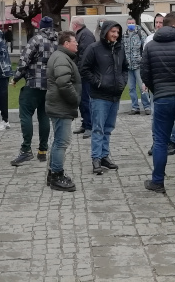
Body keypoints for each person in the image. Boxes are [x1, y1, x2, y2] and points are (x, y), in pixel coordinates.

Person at [141, 13, 175, 198]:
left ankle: (157, 181)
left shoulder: (150, 46)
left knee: (160, 141)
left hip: (162, 97)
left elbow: (145, 73)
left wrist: (157, 89)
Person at [79, 20, 127, 175]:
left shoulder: (120, 48)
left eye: (117, 32)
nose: (116, 35)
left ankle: (104, 156)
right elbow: (84, 69)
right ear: (106, 31)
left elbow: (125, 68)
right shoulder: (94, 48)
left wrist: (123, 81)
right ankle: (96, 158)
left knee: (108, 128)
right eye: (113, 31)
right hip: (99, 96)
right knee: (98, 128)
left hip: (115, 95)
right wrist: (97, 82)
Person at [10, 16, 58, 166]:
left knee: (26, 115)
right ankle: (43, 150)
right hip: (50, 84)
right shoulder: (57, 41)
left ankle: (26, 150)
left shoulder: (36, 40)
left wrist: (16, 78)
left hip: (33, 84)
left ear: (40, 26)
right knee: (44, 116)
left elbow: (24, 61)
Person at [45, 31, 81, 192]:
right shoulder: (61, 58)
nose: (77, 44)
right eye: (75, 41)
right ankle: (57, 175)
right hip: (61, 106)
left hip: (59, 105)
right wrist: (75, 99)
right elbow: (64, 83)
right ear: (66, 43)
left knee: (58, 141)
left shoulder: (62, 57)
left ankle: (53, 172)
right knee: (62, 142)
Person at [70, 17, 96, 138]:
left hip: (84, 73)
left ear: (75, 25)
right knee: (82, 100)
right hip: (81, 72)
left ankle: (89, 126)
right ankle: (85, 123)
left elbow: (85, 56)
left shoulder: (86, 35)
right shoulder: (82, 34)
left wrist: (79, 70)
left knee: (86, 100)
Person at [124, 17, 150, 115]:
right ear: (126, 24)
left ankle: (147, 106)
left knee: (142, 87)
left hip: (139, 65)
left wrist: (143, 60)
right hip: (129, 66)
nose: (131, 24)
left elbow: (146, 47)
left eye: (132, 23)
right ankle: (135, 107)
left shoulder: (140, 33)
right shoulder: (124, 35)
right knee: (131, 88)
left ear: (135, 24)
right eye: (129, 23)